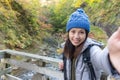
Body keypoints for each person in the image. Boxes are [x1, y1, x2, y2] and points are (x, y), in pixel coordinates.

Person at [59, 8, 120, 80]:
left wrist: (112, 57)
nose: (76, 36)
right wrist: (64, 66)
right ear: (68, 32)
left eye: (81, 32)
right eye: (73, 31)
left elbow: (101, 58)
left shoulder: (91, 50)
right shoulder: (67, 48)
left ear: (86, 34)